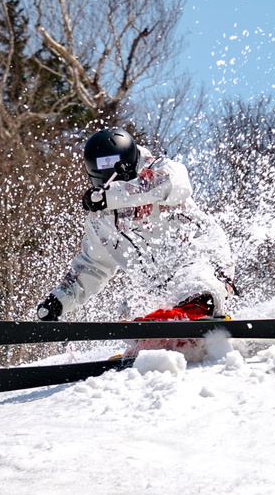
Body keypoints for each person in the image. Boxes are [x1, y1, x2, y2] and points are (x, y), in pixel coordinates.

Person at [35, 128, 236, 342]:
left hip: (203, 260)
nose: (108, 173)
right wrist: (59, 301)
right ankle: (153, 342)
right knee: (131, 305)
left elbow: (167, 185)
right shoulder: (100, 220)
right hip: (160, 282)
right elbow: (93, 267)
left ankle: (195, 311)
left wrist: (111, 196)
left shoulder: (162, 171)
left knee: (194, 280)